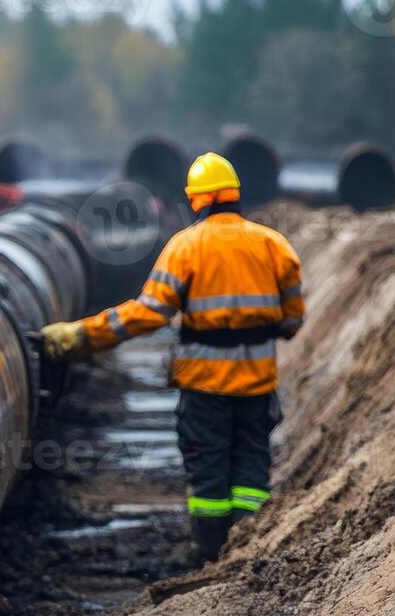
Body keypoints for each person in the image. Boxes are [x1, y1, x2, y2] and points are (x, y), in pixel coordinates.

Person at [41, 152, 307, 563]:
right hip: (257, 385)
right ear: (235, 193)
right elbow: (293, 321)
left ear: (196, 200)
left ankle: (210, 551)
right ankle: (251, 548)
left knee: (208, 471)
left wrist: (81, 336)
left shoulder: (185, 247)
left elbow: (147, 314)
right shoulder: (274, 245)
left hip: (205, 386)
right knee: (251, 466)